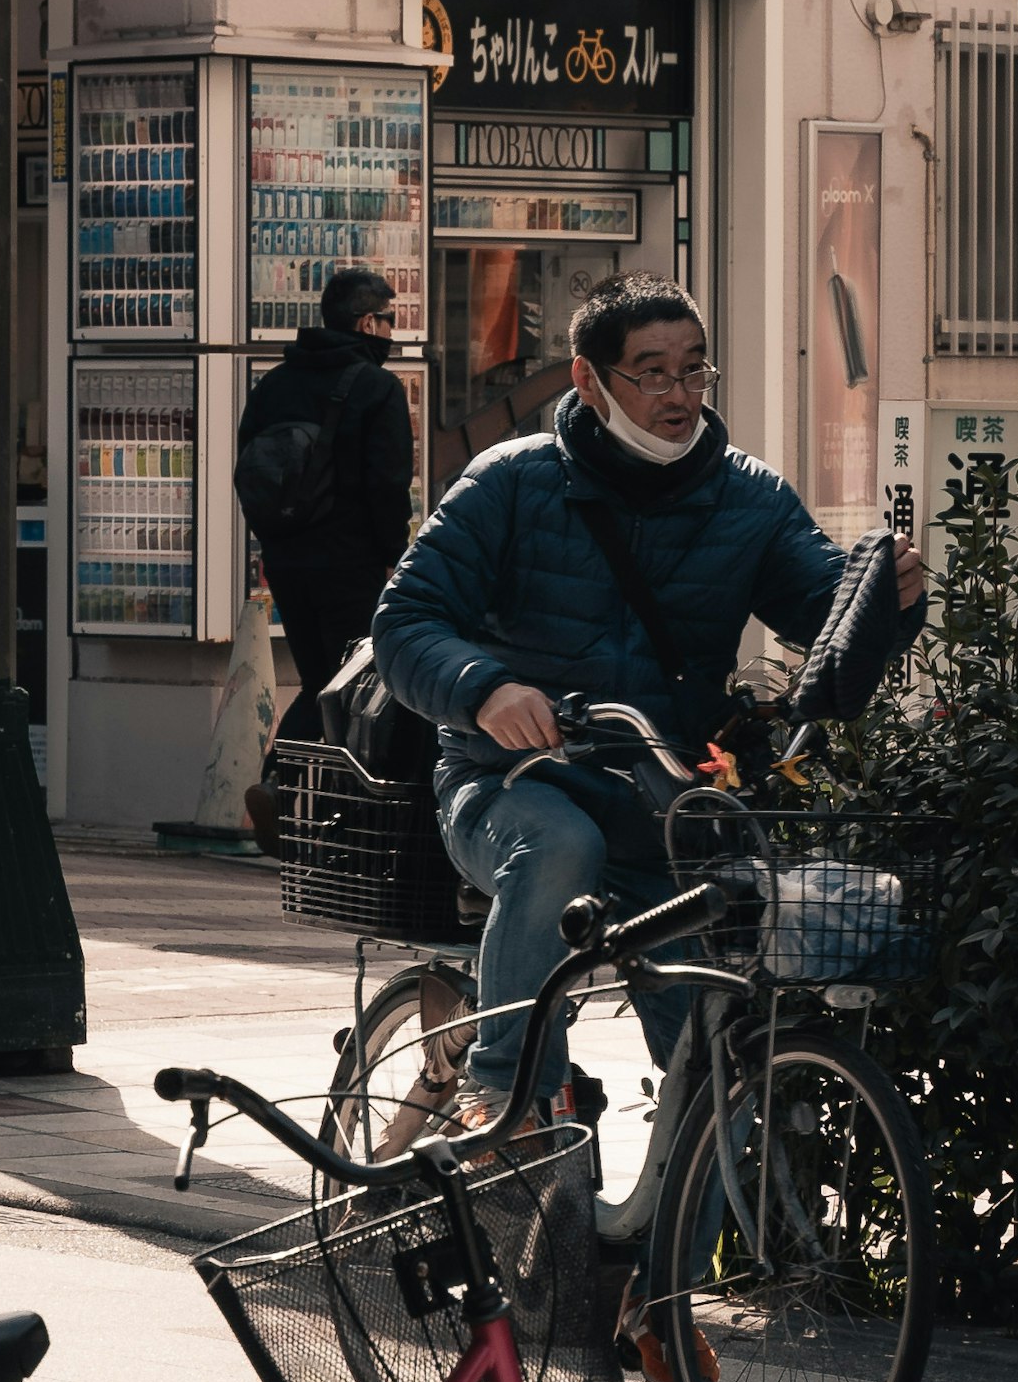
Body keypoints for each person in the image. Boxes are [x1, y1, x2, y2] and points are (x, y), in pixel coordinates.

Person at [372, 278, 920, 1142]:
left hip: (665, 808)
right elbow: (403, 624)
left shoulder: (751, 498)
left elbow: (827, 614)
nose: (679, 395)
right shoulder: (509, 484)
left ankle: (683, 1254)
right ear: (588, 382)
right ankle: (504, 1095)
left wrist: (887, 599)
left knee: (719, 1081)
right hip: (510, 785)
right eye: (653, 373)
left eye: (695, 371)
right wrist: (485, 690)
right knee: (562, 844)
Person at [235, 265, 415, 771]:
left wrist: (278, 540)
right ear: (365, 325)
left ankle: (283, 789)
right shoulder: (377, 388)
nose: (391, 330)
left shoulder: (275, 385)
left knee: (319, 675)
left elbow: (251, 470)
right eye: (387, 319)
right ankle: (283, 784)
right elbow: (387, 484)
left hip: (287, 562)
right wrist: (390, 557)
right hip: (350, 564)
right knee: (350, 684)